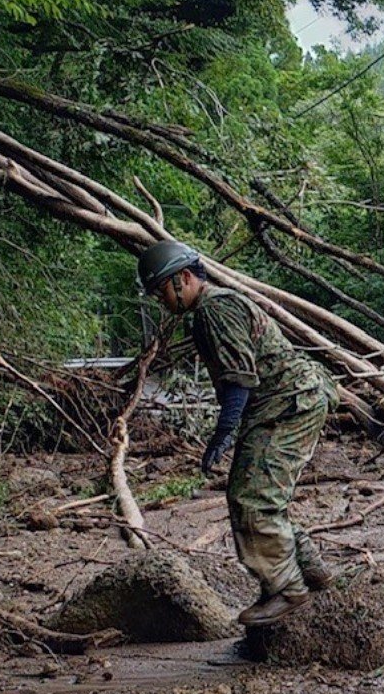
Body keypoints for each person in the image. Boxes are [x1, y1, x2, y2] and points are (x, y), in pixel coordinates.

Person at [137, 239, 337, 627]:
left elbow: (239, 379)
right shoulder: (211, 308)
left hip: (289, 401)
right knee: (258, 493)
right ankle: (311, 572)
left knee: (253, 498)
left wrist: (224, 431)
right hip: (286, 401)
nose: (162, 301)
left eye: (162, 290)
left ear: (184, 279)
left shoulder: (214, 308)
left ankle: (287, 590)